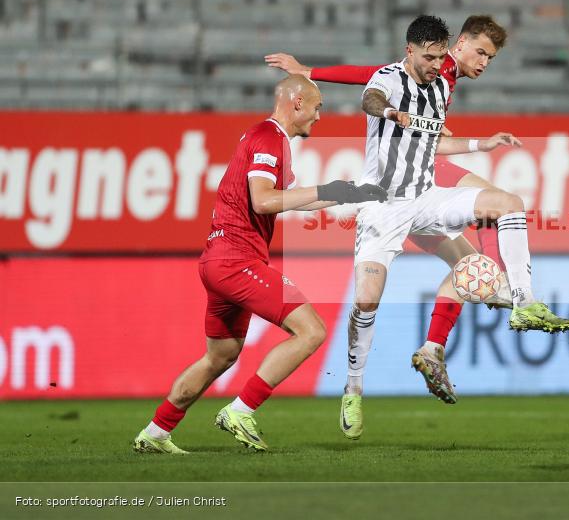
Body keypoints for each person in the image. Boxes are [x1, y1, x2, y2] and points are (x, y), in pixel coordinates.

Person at [266, 16, 530, 405]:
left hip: (419, 184)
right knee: (494, 205)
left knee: (469, 263)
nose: (484, 62)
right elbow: (373, 80)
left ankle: (434, 348)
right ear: (459, 44)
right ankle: (506, 288)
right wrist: (310, 72)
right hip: (411, 173)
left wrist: (310, 70)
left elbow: (372, 75)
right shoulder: (436, 66)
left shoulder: (437, 76)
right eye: (481, 52)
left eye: (491, 58)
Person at [340, 15, 569, 440]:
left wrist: (482, 143)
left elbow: (434, 142)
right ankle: (354, 386)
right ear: (412, 51)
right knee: (367, 301)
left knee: (505, 210)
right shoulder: (389, 78)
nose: (438, 64)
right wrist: (392, 111)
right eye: (431, 57)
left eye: (441, 57)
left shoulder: (443, 86)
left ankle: (520, 303)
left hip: (425, 196)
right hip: (383, 207)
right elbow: (368, 98)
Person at [132, 75, 386, 454]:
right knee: (312, 331)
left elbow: (287, 200)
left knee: (219, 356)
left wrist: (349, 194)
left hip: (218, 259)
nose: (320, 116)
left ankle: (155, 431)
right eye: (317, 107)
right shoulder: (268, 137)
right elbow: (264, 201)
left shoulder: (269, 141)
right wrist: (330, 190)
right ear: (297, 102)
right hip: (237, 259)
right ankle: (241, 410)